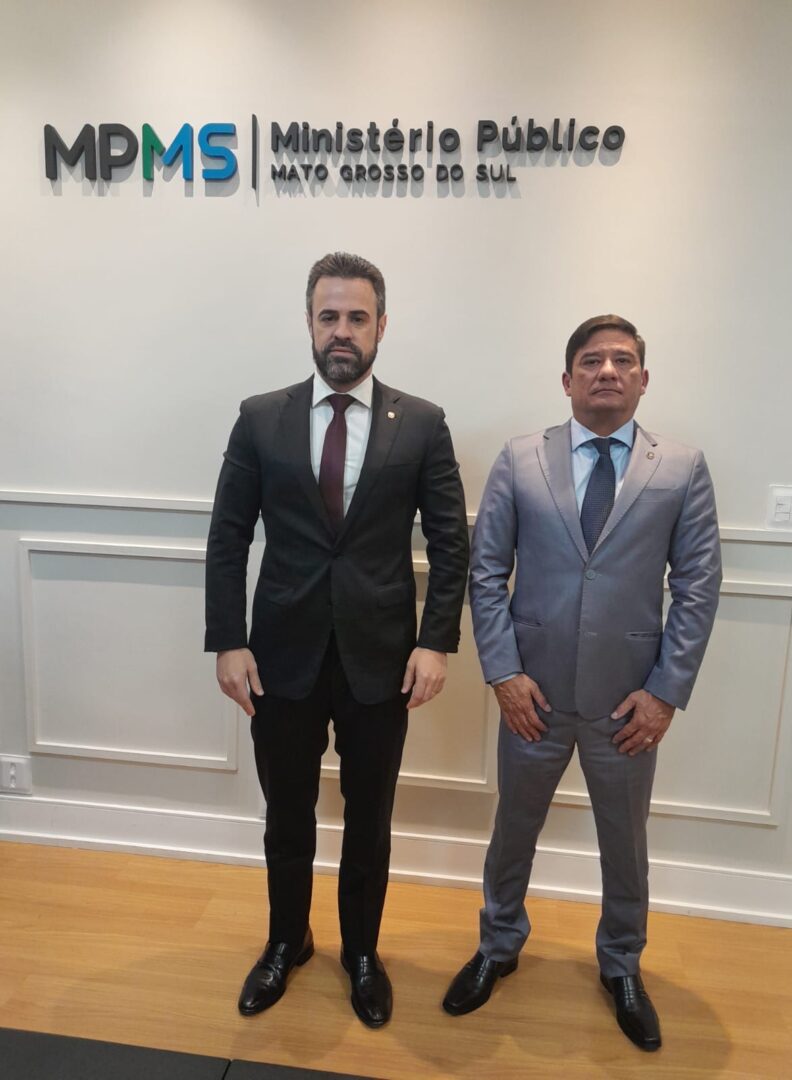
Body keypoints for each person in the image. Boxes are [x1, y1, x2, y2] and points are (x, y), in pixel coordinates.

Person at [442, 315, 721, 1051]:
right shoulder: (520, 458)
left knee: (625, 843)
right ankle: (498, 945)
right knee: (513, 832)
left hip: (628, 704)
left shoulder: (681, 467)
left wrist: (664, 692)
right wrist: (503, 672)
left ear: (643, 380)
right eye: (591, 361)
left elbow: (698, 586)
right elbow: (485, 571)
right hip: (531, 697)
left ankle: (621, 963)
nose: (607, 371)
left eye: (622, 360)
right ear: (567, 379)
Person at [205, 252, 469, 1028]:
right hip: (279, 656)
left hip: (381, 661)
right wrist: (227, 640)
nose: (342, 331)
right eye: (330, 317)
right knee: (286, 815)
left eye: (358, 317)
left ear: (382, 326)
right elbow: (228, 536)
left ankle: (361, 953)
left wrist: (435, 643)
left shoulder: (422, 423)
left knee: (369, 819)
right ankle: (287, 942)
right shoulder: (261, 417)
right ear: (309, 323)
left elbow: (450, 543)